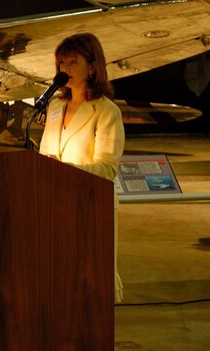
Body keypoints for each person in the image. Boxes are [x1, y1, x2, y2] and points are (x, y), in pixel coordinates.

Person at [38, 32, 125, 303]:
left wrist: (64, 170)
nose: (65, 70)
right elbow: (44, 153)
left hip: (90, 208)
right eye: (61, 63)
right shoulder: (54, 105)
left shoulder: (107, 111)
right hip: (55, 204)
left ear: (92, 67)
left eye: (73, 62)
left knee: (89, 286)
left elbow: (107, 169)